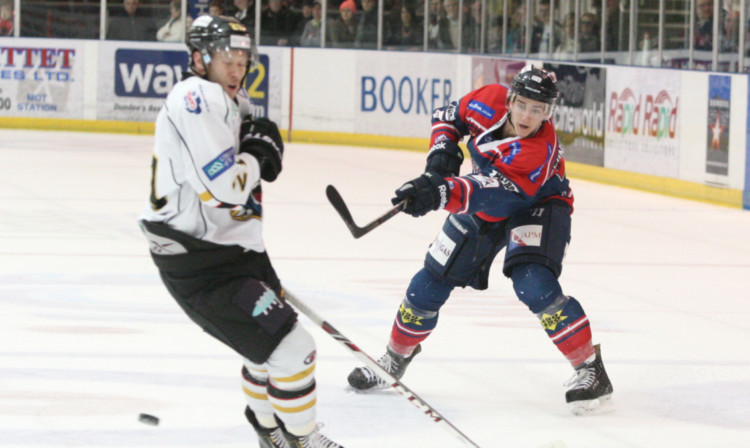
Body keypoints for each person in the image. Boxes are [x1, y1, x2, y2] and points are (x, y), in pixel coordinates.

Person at [346, 65, 614, 416]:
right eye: (523, 105)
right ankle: (394, 360)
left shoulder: (539, 149)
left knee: (533, 283)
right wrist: (441, 153)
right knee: (429, 282)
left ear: (549, 113)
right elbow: (448, 116)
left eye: (539, 110)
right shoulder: (487, 99)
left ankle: (590, 370)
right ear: (511, 98)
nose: (528, 116)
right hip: (482, 199)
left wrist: (440, 192)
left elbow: (493, 192)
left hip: (539, 206)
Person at [138, 15, 343, 448]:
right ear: (199, 58)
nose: (236, 68)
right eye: (226, 58)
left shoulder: (228, 98)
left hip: (232, 253)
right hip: (201, 262)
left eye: (243, 59)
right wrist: (255, 155)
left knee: (267, 350)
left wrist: (254, 148)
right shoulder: (196, 96)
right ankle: (303, 441)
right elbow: (224, 192)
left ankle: (270, 432)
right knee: (293, 349)